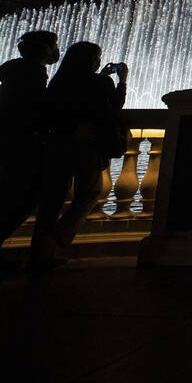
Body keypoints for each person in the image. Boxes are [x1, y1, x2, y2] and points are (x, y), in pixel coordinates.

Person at [27, 42, 127, 272]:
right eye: (97, 57)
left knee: (51, 201)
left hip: (57, 145)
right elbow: (115, 107)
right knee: (89, 192)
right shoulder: (100, 82)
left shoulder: (58, 81)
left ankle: (37, 255)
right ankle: (56, 238)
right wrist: (121, 80)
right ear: (90, 60)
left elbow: (49, 112)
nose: (100, 62)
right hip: (86, 147)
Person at [0, 30, 60, 249]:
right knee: (22, 199)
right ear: (45, 49)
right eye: (54, 45)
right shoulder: (33, 72)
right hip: (22, 145)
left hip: (9, 141)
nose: (56, 50)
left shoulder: (11, 69)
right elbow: (34, 108)